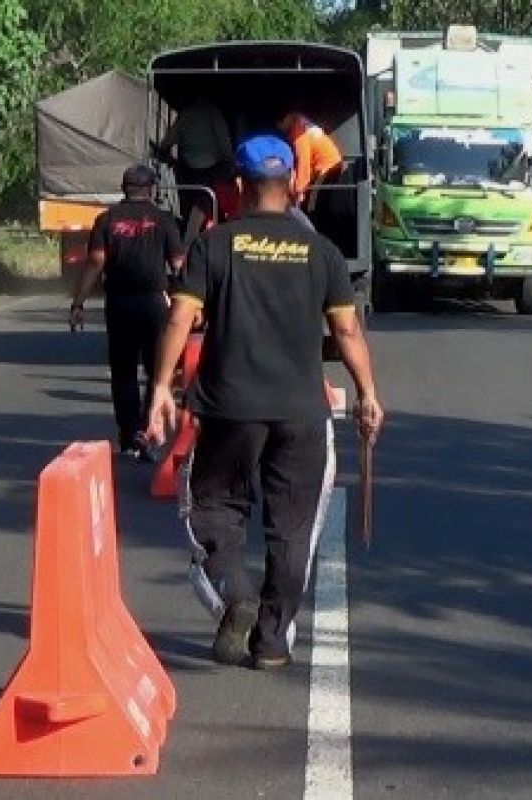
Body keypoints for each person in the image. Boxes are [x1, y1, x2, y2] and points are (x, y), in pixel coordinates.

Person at [145, 134, 382, 670]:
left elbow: (181, 317)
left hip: (229, 408)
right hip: (301, 411)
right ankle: (273, 642)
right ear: (295, 185)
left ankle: (235, 592)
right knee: (292, 527)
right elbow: (345, 330)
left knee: (213, 508)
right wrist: (368, 394)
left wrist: (161, 386)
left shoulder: (215, 244)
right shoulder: (321, 252)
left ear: (236, 187)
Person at [70, 164, 184, 460]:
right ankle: (149, 431)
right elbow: (179, 264)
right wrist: (185, 303)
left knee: (123, 372)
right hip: (154, 304)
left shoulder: (106, 220)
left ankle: (129, 435)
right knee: (156, 370)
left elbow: (95, 262)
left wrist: (78, 302)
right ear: (152, 189)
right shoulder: (163, 220)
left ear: (124, 189)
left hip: (119, 304)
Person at [157, 97, 235, 244]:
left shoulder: (186, 114)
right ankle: (194, 242)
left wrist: (170, 158)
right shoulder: (213, 113)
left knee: (192, 212)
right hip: (210, 171)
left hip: (187, 170)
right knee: (204, 208)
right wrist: (230, 164)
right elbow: (225, 145)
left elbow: (167, 142)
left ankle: (189, 241)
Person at [279, 112, 344, 212]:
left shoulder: (301, 138)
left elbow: (303, 168)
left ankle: (313, 224)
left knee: (314, 204)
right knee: (319, 201)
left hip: (327, 168)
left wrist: (298, 192)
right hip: (332, 164)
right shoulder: (304, 128)